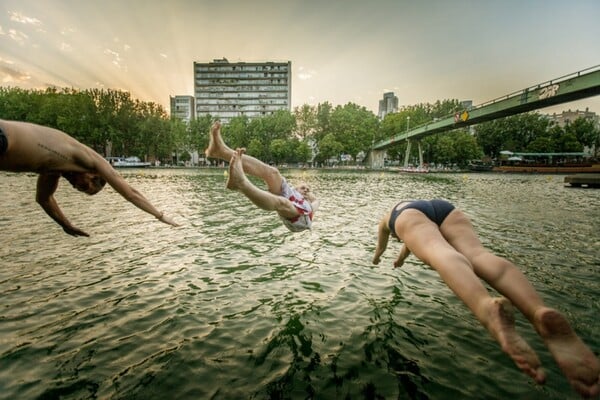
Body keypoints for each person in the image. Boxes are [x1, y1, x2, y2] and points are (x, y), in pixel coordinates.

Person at [372, 199, 599, 398]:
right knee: (479, 256)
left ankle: (485, 307)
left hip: (407, 216)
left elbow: (385, 242)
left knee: (438, 252)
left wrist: (378, 256)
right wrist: (400, 259)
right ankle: (537, 311)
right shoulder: (414, 216)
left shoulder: (389, 219)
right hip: (444, 208)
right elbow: (409, 246)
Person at [0, 119, 178, 237]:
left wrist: (66, 225)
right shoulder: (89, 159)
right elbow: (130, 193)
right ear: (93, 176)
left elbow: (44, 198)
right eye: (84, 187)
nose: (75, 186)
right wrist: (159, 216)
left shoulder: (54, 170)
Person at [205, 121, 319, 232]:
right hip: (288, 196)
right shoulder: (292, 192)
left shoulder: (308, 206)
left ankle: (241, 184)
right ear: (296, 188)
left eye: (308, 189)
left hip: (300, 219)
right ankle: (220, 151)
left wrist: (310, 196)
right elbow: (296, 192)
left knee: (283, 203)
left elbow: (315, 201)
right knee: (273, 173)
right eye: (303, 187)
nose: (306, 190)